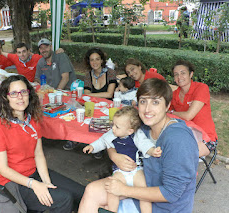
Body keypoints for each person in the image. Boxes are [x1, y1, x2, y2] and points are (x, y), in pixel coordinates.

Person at [79, 78, 199, 213]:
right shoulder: (143, 126)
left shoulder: (178, 139)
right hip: (139, 184)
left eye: (155, 102)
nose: (147, 109)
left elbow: (171, 194)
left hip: (164, 206)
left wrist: (124, 190)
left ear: (167, 106)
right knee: (91, 191)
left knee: (107, 199)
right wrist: (114, 155)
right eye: (143, 101)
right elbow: (112, 136)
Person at [0, 75, 84, 212]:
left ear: (29, 94)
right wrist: (34, 184)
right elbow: (3, 169)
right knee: (64, 199)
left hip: (33, 173)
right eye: (14, 93)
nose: (20, 97)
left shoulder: (32, 119)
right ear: (6, 97)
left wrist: (46, 182)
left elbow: (38, 154)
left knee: (81, 192)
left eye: (23, 92)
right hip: (11, 182)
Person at [82, 106, 162, 213]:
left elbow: (144, 144)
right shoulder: (112, 134)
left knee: (143, 190)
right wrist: (92, 146)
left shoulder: (136, 135)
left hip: (136, 170)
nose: (113, 128)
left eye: (117, 126)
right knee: (112, 189)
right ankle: (112, 210)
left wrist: (152, 151)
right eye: (113, 125)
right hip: (120, 172)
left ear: (130, 131)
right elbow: (102, 141)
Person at [170, 60, 217, 157]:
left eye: (183, 73)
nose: (179, 77)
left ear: (191, 74)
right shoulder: (174, 95)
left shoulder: (201, 88)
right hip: (184, 136)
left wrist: (172, 112)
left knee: (179, 156)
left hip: (206, 138)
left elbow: (188, 116)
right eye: (176, 74)